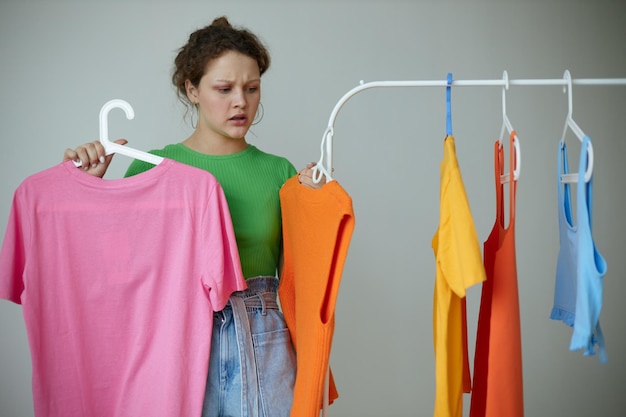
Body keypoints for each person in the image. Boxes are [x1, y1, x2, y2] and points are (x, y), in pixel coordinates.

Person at [63, 16, 323, 417]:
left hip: (263, 337)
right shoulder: (152, 167)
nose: (241, 101)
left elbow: (301, 282)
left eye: (252, 88)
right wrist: (91, 191)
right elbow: (114, 275)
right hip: (175, 336)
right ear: (192, 89)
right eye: (224, 89)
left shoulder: (279, 171)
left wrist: (317, 208)